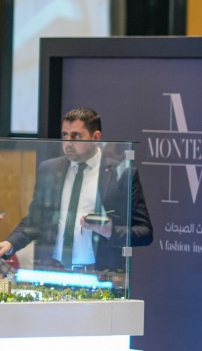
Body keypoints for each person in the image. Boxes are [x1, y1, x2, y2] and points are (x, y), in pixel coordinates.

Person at [0, 107, 153, 274]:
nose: (68, 143)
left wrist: (110, 231)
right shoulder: (49, 169)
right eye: (65, 135)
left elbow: (144, 232)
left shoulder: (121, 173)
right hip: (53, 271)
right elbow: (35, 220)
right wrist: (10, 243)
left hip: (99, 274)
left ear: (96, 137)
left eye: (75, 136)